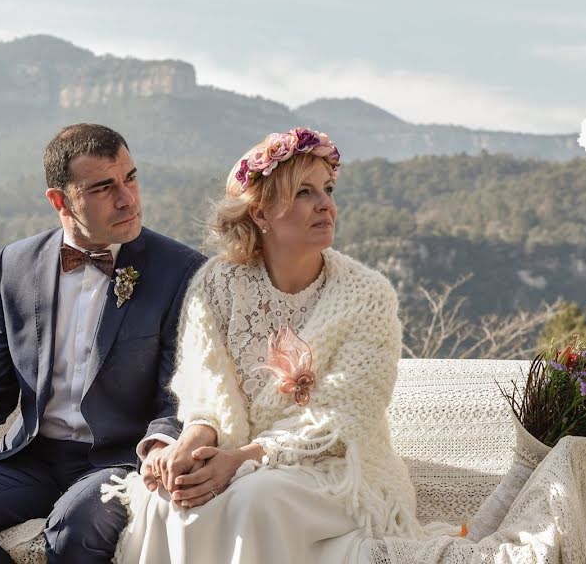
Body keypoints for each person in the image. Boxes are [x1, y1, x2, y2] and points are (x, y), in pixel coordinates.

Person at [104, 128, 431, 563]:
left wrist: (243, 458)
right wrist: (193, 444)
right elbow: (205, 389)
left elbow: (344, 418)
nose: (326, 205)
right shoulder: (217, 285)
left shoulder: (368, 296)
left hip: (336, 470)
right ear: (260, 212)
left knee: (256, 498)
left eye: (328, 190)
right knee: (171, 500)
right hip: (234, 454)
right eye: (303, 193)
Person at [0, 123, 205, 563]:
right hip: (32, 458)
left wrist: (162, 442)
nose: (127, 199)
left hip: (117, 461)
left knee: (75, 527)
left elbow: (181, 389)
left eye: (130, 178)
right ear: (59, 200)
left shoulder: (182, 269)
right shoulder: (14, 265)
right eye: (104, 188)